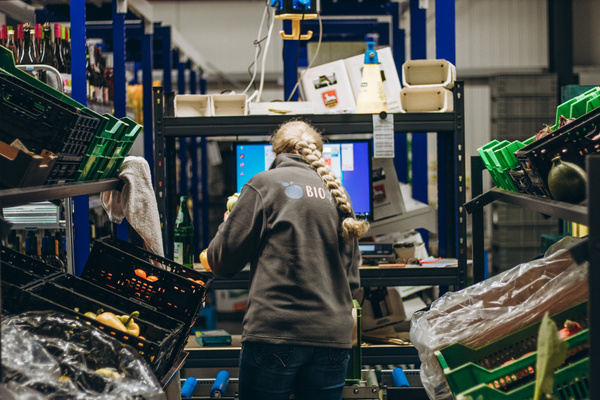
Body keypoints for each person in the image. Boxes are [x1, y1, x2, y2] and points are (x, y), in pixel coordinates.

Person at [206, 120, 369, 400]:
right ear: (317, 153)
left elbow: (221, 262)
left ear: (276, 152)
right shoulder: (340, 195)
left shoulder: (263, 184)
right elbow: (353, 283)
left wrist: (228, 223)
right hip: (333, 338)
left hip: (276, 333)